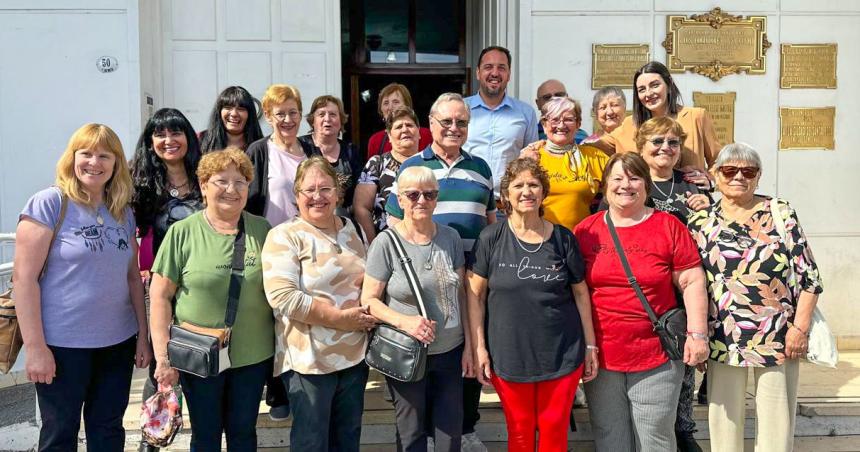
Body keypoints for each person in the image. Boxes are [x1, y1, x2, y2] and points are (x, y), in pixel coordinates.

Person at [15, 123, 151, 450]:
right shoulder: (50, 204)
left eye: (105, 155)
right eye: (86, 153)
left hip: (116, 344)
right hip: (61, 346)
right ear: (71, 158)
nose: (94, 162)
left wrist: (142, 337)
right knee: (60, 435)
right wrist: (35, 348)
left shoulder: (122, 211)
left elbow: (133, 277)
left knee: (108, 431)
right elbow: (24, 279)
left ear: (116, 163)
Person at [688, 143, 823, 452]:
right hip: (723, 335)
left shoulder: (781, 213)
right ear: (716, 174)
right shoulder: (699, 223)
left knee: (777, 421)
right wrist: (697, 334)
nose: (739, 177)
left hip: (778, 335)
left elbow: (810, 278)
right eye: (729, 170)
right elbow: (692, 282)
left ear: (758, 177)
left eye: (748, 171)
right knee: (724, 421)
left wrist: (799, 329)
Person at [573, 153, 709, 451]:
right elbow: (575, 291)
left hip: (656, 354)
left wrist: (698, 334)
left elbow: (691, 281)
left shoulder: (668, 226)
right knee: (610, 438)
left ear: (646, 185)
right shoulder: (585, 231)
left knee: (656, 439)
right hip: (602, 356)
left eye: (634, 178)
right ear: (605, 185)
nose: (626, 186)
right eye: (618, 178)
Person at [387, 92, 495, 452]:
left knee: (467, 354)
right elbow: (393, 222)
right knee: (427, 361)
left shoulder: (481, 169)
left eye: (461, 122)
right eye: (446, 121)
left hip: (470, 281)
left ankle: (464, 428)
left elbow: (490, 222)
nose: (453, 128)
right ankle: (427, 435)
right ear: (430, 124)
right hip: (423, 280)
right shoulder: (412, 167)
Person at [468, 158, 598, 452]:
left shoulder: (563, 238)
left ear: (543, 192)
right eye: (518, 185)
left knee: (554, 433)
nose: (526, 191)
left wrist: (590, 346)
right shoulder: (491, 238)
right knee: (520, 434)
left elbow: (580, 294)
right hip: (509, 355)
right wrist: (479, 348)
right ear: (506, 194)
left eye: (533, 184)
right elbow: (474, 296)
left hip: (562, 353)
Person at [149, 148, 275, 451]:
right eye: (221, 181)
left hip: (252, 356)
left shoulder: (263, 229)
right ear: (204, 186)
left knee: (243, 434)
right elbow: (160, 297)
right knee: (205, 436)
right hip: (198, 356)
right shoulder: (182, 233)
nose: (231, 189)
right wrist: (163, 357)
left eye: (240, 181)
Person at [262, 156, 375, 452]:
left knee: (347, 440)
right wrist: (342, 319)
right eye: (308, 190)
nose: (317, 197)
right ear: (296, 195)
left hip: (354, 358)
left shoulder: (353, 229)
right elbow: (283, 297)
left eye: (325, 189)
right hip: (308, 364)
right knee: (311, 444)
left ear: (337, 192)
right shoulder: (284, 236)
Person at [362, 166, 473, 452]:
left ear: (437, 199)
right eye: (412, 194)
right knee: (411, 435)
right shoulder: (385, 243)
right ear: (400, 199)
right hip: (407, 354)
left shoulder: (450, 238)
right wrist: (404, 322)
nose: (421, 200)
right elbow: (369, 301)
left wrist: (471, 347)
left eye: (429, 194)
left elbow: (462, 295)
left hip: (450, 351)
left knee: (450, 436)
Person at [629, 117, 711, 451]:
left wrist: (709, 206)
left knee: (684, 356)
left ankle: (684, 428)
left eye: (673, 142)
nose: (665, 148)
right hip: (645, 286)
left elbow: (717, 228)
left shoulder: (692, 184)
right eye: (657, 142)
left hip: (684, 286)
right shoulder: (632, 183)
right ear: (641, 147)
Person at [130, 107, 204, 452]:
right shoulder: (141, 185)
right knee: (162, 366)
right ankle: (152, 440)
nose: (168, 140)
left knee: (199, 363)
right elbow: (128, 232)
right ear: (151, 142)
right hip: (161, 288)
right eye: (160, 134)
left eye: (175, 133)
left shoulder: (205, 179)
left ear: (188, 138)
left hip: (201, 287)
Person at [591, 61, 720, 188]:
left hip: (692, 201)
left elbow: (718, 160)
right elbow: (593, 149)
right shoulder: (630, 124)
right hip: (645, 203)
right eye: (642, 89)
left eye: (654, 85)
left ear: (669, 85)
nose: (648, 93)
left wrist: (711, 180)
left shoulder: (696, 117)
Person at [463, 46, 539, 205]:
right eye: (488, 67)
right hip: (468, 201)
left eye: (501, 68)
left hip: (508, 204)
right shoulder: (461, 110)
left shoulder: (525, 112)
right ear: (478, 73)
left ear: (509, 74)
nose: (495, 73)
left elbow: (531, 161)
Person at [521, 96, 609, 232]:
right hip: (539, 240)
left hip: (582, 240)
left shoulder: (595, 157)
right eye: (555, 119)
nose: (561, 125)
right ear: (544, 125)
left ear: (578, 124)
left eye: (568, 119)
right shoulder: (531, 157)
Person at [354, 106, 422, 242]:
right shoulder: (376, 164)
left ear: (419, 132)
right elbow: (361, 207)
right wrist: (374, 245)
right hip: (386, 244)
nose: (405, 129)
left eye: (409, 125)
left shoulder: (429, 164)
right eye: (398, 127)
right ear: (389, 136)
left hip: (423, 242)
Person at [246, 83, 309, 225]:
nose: (288, 120)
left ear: (300, 114)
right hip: (269, 240)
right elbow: (247, 201)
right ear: (268, 116)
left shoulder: (312, 152)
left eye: (293, 112)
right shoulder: (258, 151)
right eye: (280, 114)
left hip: (306, 238)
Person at [298, 95, 362, 217]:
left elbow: (359, 190)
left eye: (333, 114)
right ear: (313, 120)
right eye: (321, 114)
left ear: (341, 120)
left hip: (343, 218)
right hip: (309, 215)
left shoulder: (351, 151)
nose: (327, 119)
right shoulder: (301, 146)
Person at [366, 83, 433, 158]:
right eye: (386, 103)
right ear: (381, 110)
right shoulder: (375, 140)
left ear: (407, 106)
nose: (390, 107)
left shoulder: (426, 135)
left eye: (396, 102)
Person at [199, 85, 264, 153]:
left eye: (240, 109)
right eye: (228, 108)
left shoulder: (262, 147)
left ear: (250, 114)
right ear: (219, 112)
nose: (234, 114)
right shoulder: (201, 140)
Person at [534, 79, 588, 143]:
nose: (554, 100)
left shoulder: (583, 137)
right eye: (547, 97)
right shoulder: (531, 135)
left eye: (559, 95)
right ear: (538, 103)